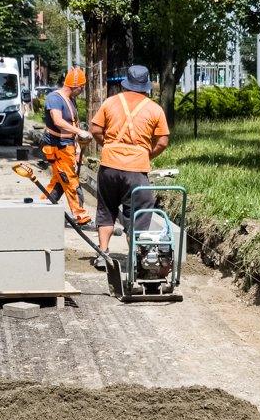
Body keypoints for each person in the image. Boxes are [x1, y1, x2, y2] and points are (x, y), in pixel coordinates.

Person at [89, 64, 169, 270]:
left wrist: (108, 146)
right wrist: (146, 154)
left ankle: (103, 253)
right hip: (136, 170)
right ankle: (136, 256)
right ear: (146, 86)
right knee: (138, 212)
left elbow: (95, 130)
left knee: (106, 209)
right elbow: (162, 142)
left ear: (127, 84)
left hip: (109, 166)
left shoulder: (110, 102)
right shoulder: (154, 109)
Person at [40, 68, 93, 226]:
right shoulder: (54, 99)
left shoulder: (70, 99)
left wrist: (76, 145)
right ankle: (81, 217)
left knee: (58, 182)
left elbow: (71, 123)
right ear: (75, 86)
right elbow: (57, 121)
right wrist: (80, 132)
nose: (82, 90)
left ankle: (41, 210)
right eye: (81, 87)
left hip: (67, 147)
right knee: (70, 181)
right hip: (57, 148)